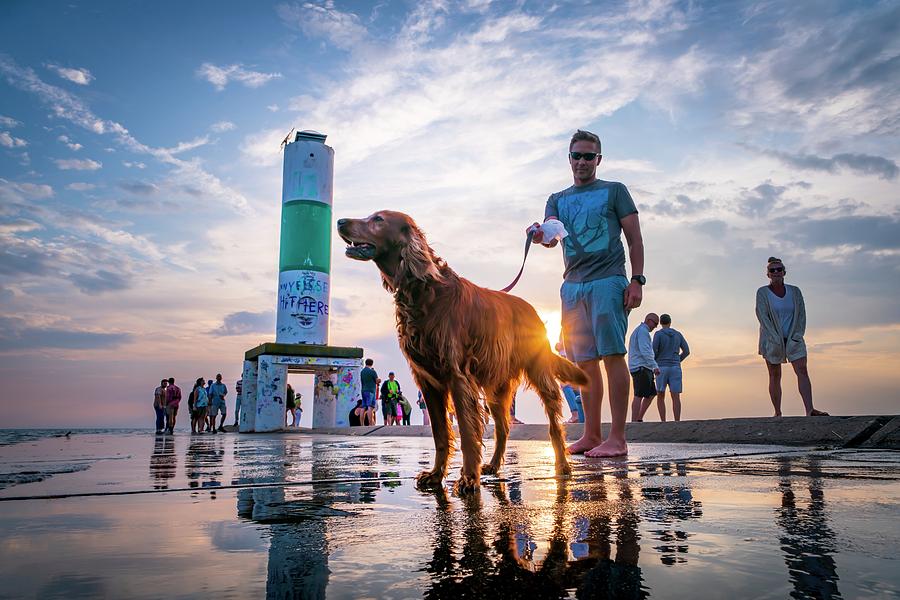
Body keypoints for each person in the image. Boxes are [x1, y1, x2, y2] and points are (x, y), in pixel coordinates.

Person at [531, 129, 645, 457]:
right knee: (583, 363)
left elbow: (634, 239)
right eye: (576, 156)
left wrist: (637, 280)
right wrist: (539, 235)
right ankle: (591, 434)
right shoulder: (558, 198)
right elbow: (552, 236)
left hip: (608, 280)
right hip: (572, 285)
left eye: (588, 156)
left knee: (612, 355)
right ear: (569, 159)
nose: (582, 162)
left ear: (598, 159)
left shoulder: (615, 191)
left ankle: (618, 437)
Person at [756, 257, 829, 417]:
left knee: (802, 370)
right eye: (772, 270)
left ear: (784, 272)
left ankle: (810, 410)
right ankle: (777, 412)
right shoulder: (762, 293)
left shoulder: (795, 291)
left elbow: (801, 314)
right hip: (772, 340)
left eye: (779, 269)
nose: (776, 272)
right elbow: (762, 316)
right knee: (775, 375)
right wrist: (775, 337)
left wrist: (796, 335)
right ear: (768, 274)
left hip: (794, 338)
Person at [652, 313, 691, 422]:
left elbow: (653, 351)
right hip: (675, 367)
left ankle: (663, 421)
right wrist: (678, 360)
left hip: (661, 367)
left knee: (660, 395)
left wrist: (654, 364)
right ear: (670, 322)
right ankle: (677, 421)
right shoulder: (678, 334)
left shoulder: (658, 334)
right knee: (676, 396)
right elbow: (687, 351)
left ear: (660, 323)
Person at [628, 314, 660, 422]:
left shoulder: (641, 331)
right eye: (655, 324)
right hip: (640, 366)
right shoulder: (643, 331)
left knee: (651, 394)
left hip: (644, 366)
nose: (655, 327)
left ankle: (639, 418)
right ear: (648, 320)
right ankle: (634, 421)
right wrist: (654, 366)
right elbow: (645, 350)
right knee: (639, 394)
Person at [555, 340, 585, 423]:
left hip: (568, 356)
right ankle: (582, 415)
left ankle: (576, 414)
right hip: (574, 356)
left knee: (566, 385)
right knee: (575, 386)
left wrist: (560, 344)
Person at [360, 358, 379, 427]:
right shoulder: (372, 371)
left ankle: (362, 424)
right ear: (372, 364)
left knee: (363, 407)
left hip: (363, 390)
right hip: (371, 391)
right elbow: (377, 381)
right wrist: (379, 380)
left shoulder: (362, 372)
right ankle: (370, 424)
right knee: (370, 407)